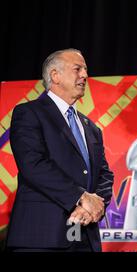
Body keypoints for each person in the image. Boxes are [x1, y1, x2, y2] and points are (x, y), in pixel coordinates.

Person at [6, 49, 114, 252]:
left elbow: (104, 173)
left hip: (85, 237)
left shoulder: (91, 127)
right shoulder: (29, 113)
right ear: (55, 75)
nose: (84, 75)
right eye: (77, 69)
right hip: (41, 238)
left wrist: (95, 206)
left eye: (85, 70)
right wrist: (82, 197)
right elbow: (33, 165)